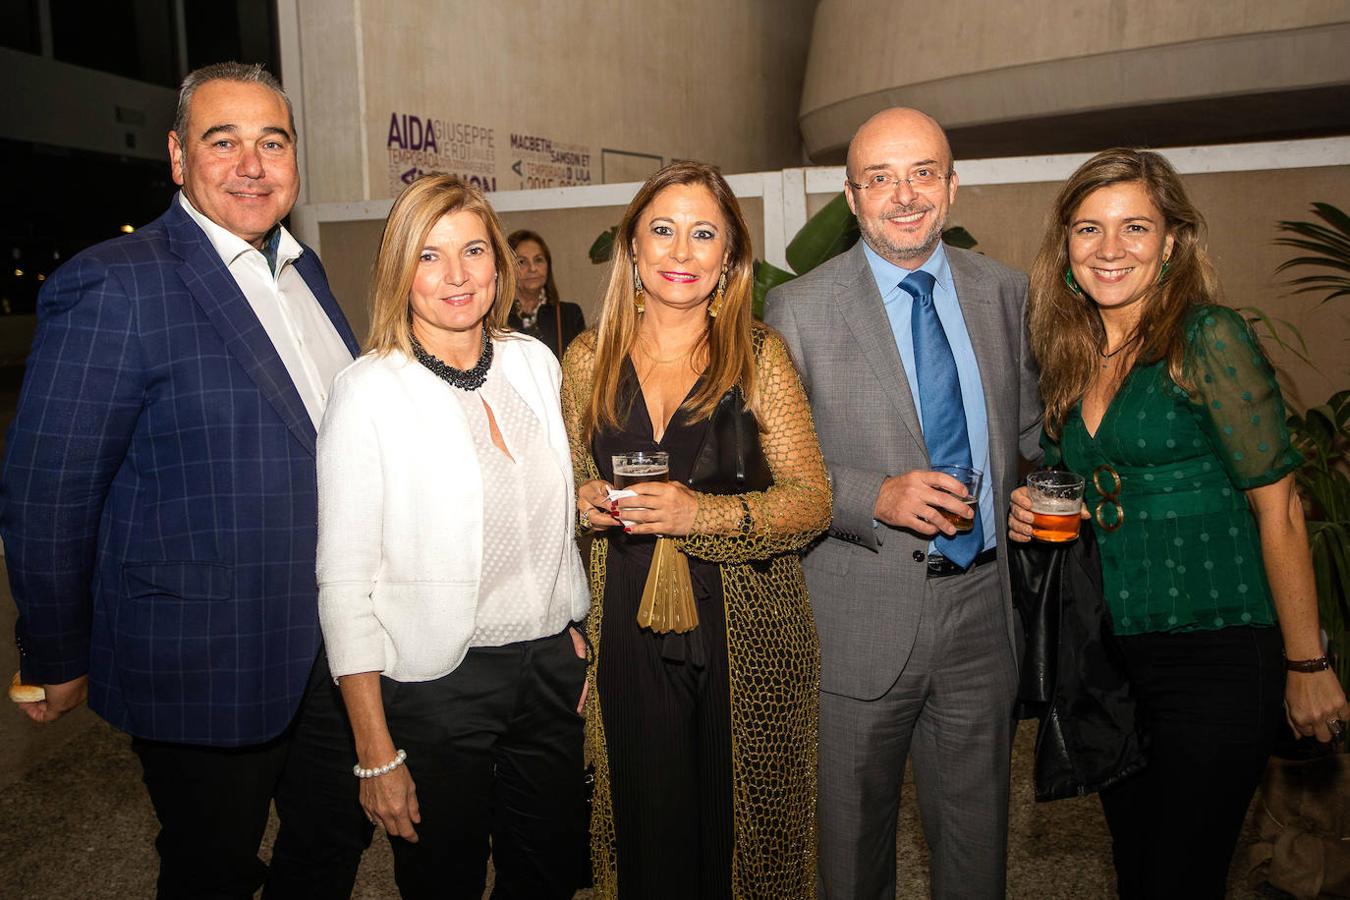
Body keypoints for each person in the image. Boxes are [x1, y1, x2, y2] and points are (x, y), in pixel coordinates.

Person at [0, 62, 370, 897]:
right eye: (223, 141)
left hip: (333, 643)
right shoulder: (116, 285)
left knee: (336, 834)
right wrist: (53, 651)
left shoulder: (304, 274)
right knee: (212, 864)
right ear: (176, 157)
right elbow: (48, 492)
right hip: (203, 657)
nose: (252, 164)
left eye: (271, 142)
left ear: (294, 159)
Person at [1008, 148, 1350, 898]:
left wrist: (1307, 662)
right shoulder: (1067, 353)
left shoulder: (1207, 338)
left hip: (1219, 648)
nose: (1110, 248)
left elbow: (1281, 505)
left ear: (1171, 241)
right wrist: (1032, 507)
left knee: (1180, 876)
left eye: (1135, 226)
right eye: (1088, 228)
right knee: (1137, 869)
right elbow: (1073, 483)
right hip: (1112, 656)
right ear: (1065, 245)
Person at [763, 107, 1042, 899]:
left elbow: (1030, 431)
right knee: (850, 858)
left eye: (922, 172)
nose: (903, 194)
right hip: (859, 619)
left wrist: (1044, 488)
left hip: (982, 616)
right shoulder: (799, 311)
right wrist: (870, 495)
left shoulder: (1005, 294)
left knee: (976, 848)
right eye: (879, 178)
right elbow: (771, 468)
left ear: (952, 186)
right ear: (851, 199)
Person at [316, 173, 591, 898]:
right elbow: (344, 583)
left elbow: (550, 523)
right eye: (430, 256)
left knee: (550, 875)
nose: (457, 275)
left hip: (545, 669)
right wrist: (375, 751)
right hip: (437, 681)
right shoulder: (368, 390)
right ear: (399, 270)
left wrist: (572, 625)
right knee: (445, 880)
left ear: (497, 262)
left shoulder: (535, 363)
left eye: (473, 250)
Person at [562, 160, 831, 899]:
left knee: (739, 845)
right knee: (648, 839)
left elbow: (813, 501)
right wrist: (581, 500)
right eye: (663, 232)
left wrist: (698, 514)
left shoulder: (760, 357)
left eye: (703, 234)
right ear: (633, 251)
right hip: (628, 623)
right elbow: (569, 488)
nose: (681, 253)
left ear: (729, 258)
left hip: (744, 626)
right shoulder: (586, 360)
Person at [507, 229, 586, 358]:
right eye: (522, 261)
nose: (532, 269)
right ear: (507, 268)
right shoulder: (496, 317)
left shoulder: (570, 314)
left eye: (538, 260)